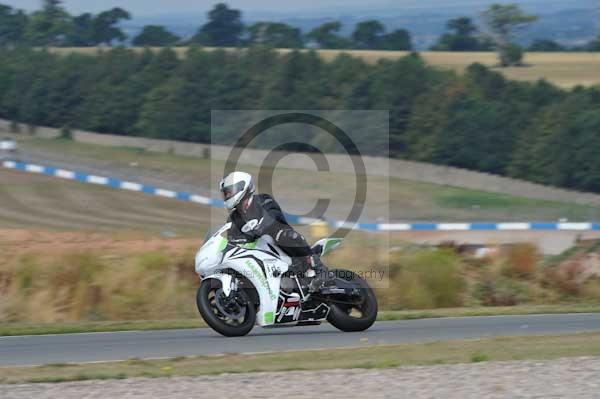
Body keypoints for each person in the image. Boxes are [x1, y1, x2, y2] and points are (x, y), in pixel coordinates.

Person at [219, 171, 331, 291]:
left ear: (242, 188)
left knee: (286, 235)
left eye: (229, 192)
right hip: (257, 254)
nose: (226, 196)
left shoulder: (263, 200)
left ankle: (321, 271)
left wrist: (259, 227)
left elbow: (275, 216)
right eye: (225, 193)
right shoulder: (233, 219)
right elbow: (233, 242)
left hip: (281, 245)